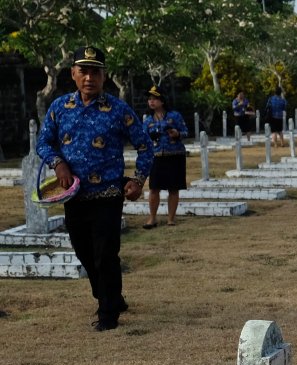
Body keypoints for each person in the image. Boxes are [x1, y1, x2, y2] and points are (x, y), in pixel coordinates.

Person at [36, 46, 153, 332]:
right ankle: (110, 296)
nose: (89, 77)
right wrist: (58, 163)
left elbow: (145, 145)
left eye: (96, 71)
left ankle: (107, 313)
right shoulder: (60, 107)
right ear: (73, 73)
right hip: (74, 196)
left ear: (104, 76)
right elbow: (43, 143)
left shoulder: (118, 109)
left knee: (105, 253)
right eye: (84, 71)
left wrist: (137, 181)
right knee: (83, 252)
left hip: (108, 196)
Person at [142, 86, 188, 229]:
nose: (151, 102)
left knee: (173, 188)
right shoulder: (147, 120)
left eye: (154, 99)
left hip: (175, 155)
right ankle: (152, 218)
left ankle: (171, 218)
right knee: (154, 188)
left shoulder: (174, 116)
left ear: (162, 101)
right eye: (149, 99)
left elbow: (185, 131)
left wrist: (177, 134)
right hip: (156, 157)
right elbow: (143, 138)